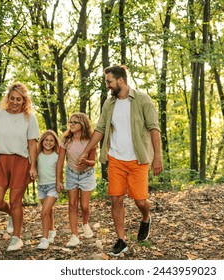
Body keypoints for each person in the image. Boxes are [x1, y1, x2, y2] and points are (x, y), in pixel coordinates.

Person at [78, 65, 163, 257]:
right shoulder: (109, 104)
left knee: (141, 201)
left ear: (120, 80)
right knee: (116, 199)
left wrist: (157, 157)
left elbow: (154, 129)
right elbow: (99, 129)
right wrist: (85, 151)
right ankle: (121, 240)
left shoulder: (142, 100)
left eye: (109, 81)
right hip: (116, 158)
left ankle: (146, 217)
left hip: (138, 159)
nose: (107, 85)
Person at [0, 82, 40, 252]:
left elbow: (32, 144)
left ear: (24, 100)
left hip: (21, 161)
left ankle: (17, 238)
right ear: (7, 98)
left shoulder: (29, 118)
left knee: (16, 201)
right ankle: (11, 214)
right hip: (1, 160)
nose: (15, 102)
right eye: (12, 98)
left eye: (19, 99)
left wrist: (33, 167)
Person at [56, 112, 97, 248]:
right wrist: (59, 180)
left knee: (84, 206)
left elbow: (93, 162)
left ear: (83, 124)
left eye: (75, 122)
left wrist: (85, 161)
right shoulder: (66, 140)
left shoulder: (90, 140)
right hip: (71, 174)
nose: (71, 124)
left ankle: (85, 223)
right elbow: (60, 161)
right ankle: (74, 235)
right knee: (72, 204)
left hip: (86, 175)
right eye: (70, 122)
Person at [36, 130, 60, 250]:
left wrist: (59, 182)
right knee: (48, 211)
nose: (49, 142)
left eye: (51, 140)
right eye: (46, 140)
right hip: (41, 187)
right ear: (42, 141)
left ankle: (44, 239)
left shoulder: (57, 156)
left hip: (52, 187)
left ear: (55, 143)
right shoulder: (38, 155)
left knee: (44, 212)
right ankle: (52, 230)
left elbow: (59, 171)